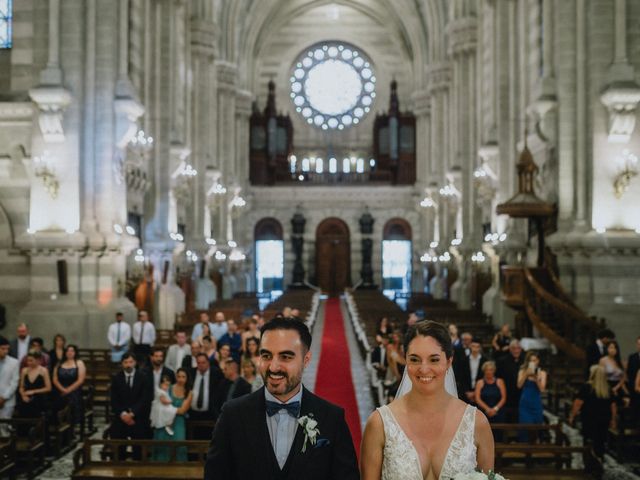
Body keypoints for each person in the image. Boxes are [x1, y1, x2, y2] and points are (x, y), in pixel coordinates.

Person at [205, 318, 359, 480]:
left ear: (306, 360)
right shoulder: (232, 414)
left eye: (285, 357)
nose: (273, 367)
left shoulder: (331, 418)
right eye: (266, 356)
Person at [361, 321, 494, 479]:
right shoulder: (379, 423)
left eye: (434, 360)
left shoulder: (477, 423)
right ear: (406, 361)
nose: (424, 369)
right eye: (415, 360)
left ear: (449, 362)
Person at [569, 365, 617, 467]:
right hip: (604, 419)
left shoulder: (586, 387)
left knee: (588, 441)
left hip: (589, 419)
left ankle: (589, 463)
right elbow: (613, 406)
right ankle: (599, 460)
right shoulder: (607, 388)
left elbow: (578, 403)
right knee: (600, 440)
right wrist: (613, 420)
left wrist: (572, 416)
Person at [110, 353, 152, 460]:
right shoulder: (116, 378)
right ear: (122, 364)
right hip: (121, 418)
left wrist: (132, 413)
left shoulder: (143, 377)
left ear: (135, 363)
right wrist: (124, 415)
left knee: (138, 449)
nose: (128, 365)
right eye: (125, 362)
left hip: (138, 417)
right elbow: (114, 400)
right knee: (119, 449)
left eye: (130, 362)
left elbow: (145, 399)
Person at [152, 368, 192, 461]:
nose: (181, 379)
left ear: (187, 378)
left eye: (183, 377)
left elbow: (182, 411)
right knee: (163, 445)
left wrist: (170, 410)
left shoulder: (189, 392)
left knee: (178, 445)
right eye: (178, 376)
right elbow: (160, 403)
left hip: (178, 421)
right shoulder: (168, 388)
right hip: (164, 421)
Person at [190, 353, 223, 439]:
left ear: (208, 363)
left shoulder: (216, 373)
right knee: (194, 438)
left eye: (203, 362)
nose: (201, 365)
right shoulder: (191, 373)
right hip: (193, 414)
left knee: (209, 438)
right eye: (198, 363)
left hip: (210, 413)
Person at [52, 344, 86, 427]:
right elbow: (55, 379)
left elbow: (80, 380)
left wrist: (68, 390)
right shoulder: (59, 363)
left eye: (72, 351)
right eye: (67, 351)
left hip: (74, 390)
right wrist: (62, 389)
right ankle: (57, 425)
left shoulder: (79, 363)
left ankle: (72, 427)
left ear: (75, 352)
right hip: (60, 389)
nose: (69, 352)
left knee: (72, 401)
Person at [517, 351, 546, 441]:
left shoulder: (542, 373)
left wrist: (536, 378)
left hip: (536, 402)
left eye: (535, 360)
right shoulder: (522, 371)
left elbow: (542, 389)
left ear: (538, 361)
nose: (533, 362)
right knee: (525, 426)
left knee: (537, 425)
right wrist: (526, 374)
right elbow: (519, 385)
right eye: (531, 360)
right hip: (525, 402)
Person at [474, 361, 507, 436]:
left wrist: (495, 409)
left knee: (498, 434)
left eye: (491, 370)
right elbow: (477, 398)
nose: (489, 372)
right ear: (484, 371)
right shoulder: (480, 382)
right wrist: (487, 409)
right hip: (484, 411)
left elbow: (503, 398)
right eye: (487, 370)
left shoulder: (500, 381)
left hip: (498, 411)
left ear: (494, 371)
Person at [17, 351, 52, 419]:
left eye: (31, 360)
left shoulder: (44, 370)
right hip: (26, 398)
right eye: (27, 360)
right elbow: (21, 387)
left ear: (38, 360)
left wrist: (34, 391)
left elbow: (48, 388)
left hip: (39, 399)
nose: (28, 363)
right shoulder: (24, 370)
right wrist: (23, 395)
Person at [497, 339, 524, 423]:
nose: (516, 350)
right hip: (506, 394)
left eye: (518, 348)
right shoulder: (502, 361)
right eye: (514, 348)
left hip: (521, 395)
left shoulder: (525, 361)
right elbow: (498, 378)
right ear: (510, 349)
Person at [0, 336, 20, 434]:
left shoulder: (14, 362)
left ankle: (6, 449)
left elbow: (14, 382)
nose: (6, 351)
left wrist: (4, 397)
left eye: (7, 349)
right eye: (3, 349)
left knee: (4, 428)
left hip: (7, 401)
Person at [459, 338, 487, 404]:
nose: (475, 348)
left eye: (477, 347)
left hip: (481, 393)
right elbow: (461, 377)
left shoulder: (485, 361)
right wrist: (467, 392)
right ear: (470, 346)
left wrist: (476, 392)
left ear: (480, 348)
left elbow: (485, 377)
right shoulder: (463, 360)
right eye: (473, 346)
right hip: (466, 393)